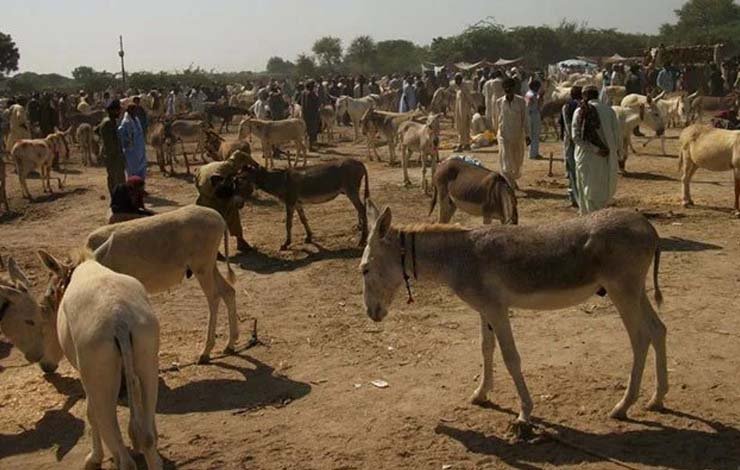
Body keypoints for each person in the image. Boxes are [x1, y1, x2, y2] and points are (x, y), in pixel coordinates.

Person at [571, 86, 620, 214]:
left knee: (585, 190)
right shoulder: (609, 111)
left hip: (585, 156)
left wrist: (594, 149)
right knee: (601, 190)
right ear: (597, 95)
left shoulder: (579, 111)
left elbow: (576, 137)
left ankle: (587, 220)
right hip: (604, 158)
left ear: (584, 96)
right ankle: (598, 220)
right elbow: (617, 136)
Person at [195, 150, 254, 252]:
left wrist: (254, 164)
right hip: (201, 177)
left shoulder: (228, 166)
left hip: (216, 174)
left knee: (232, 209)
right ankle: (212, 249)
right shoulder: (206, 190)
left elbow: (239, 153)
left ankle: (240, 241)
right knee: (211, 219)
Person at [495, 78, 529, 187]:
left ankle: (512, 179)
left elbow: (525, 119)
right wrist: (497, 132)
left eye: (510, 89)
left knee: (517, 161)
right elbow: (496, 119)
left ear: (514, 89)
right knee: (505, 159)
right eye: (506, 89)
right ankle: (509, 182)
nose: (508, 91)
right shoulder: (499, 102)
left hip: (517, 135)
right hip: (503, 135)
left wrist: (527, 135)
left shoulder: (521, 101)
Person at [95, 100, 126, 196]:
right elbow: (110, 144)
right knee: (115, 178)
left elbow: (96, 130)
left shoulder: (109, 121)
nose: (120, 112)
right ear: (112, 111)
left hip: (114, 155)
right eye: (118, 110)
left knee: (117, 178)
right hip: (112, 156)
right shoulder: (108, 123)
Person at [559, 86, 583, 207]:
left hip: (570, 141)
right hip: (583, 143)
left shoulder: (567, 106)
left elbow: (566, 126)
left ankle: (574, 197)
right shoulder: (585, 106)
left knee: (571, 169)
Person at [117, 104, 147, 180]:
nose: (136, 111)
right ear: (129, 111)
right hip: (131, 150)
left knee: (141, 168)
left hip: (140, 148)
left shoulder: (136, 119)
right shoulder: (125, 122)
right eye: (134, 110)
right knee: (132, 169)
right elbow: (121, 133)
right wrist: (127, 142)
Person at [453, 73, 474, 152]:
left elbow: (469, 98)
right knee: (462, 128)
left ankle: (461, 145)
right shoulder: (458, 89)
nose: (455, 81)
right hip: (459, 111)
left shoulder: (464, 88)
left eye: (456, 79)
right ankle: (466, 144)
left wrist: (473, 107)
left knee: (463, 128)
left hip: (464, 111)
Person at [300, 80, 321, 151]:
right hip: (312, 114)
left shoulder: (303, 92)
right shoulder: (311, 94)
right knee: (312, 131)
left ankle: (306, 145)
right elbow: (317, 103)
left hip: (305, 114)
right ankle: (311, 146)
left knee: (306, 130)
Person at [525, 80, 543, 160]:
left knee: (531, 134)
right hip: (535, 114)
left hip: (528, 114)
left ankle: (531, 153)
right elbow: (539, 105)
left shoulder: (528, 93)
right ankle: (534, 154)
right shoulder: (535, 95)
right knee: (535, 134)